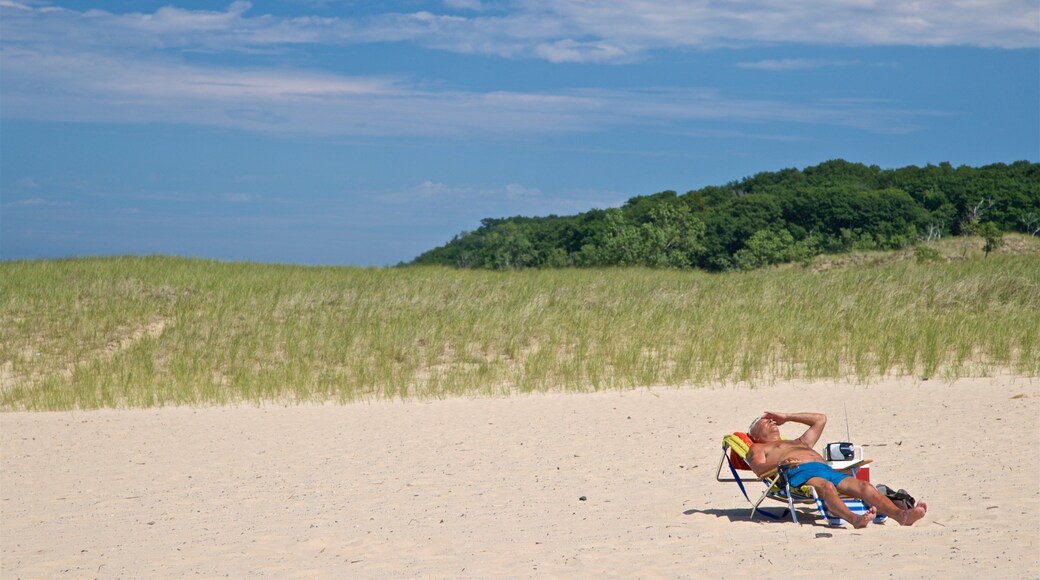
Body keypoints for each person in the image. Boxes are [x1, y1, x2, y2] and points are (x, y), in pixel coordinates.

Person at [746, 411, 928, 528]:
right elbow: (759, 469)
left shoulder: (799, 442)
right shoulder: (758, 447)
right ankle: (855, 519)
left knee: (864, 486)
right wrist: (781, 463)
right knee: (827, 487)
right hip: (798, 472)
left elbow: (820, 419)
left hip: (825, 469)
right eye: (764, 421)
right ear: (755, 435)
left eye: (771, 419)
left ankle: (902, 516)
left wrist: (786, 417)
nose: (771, 421)